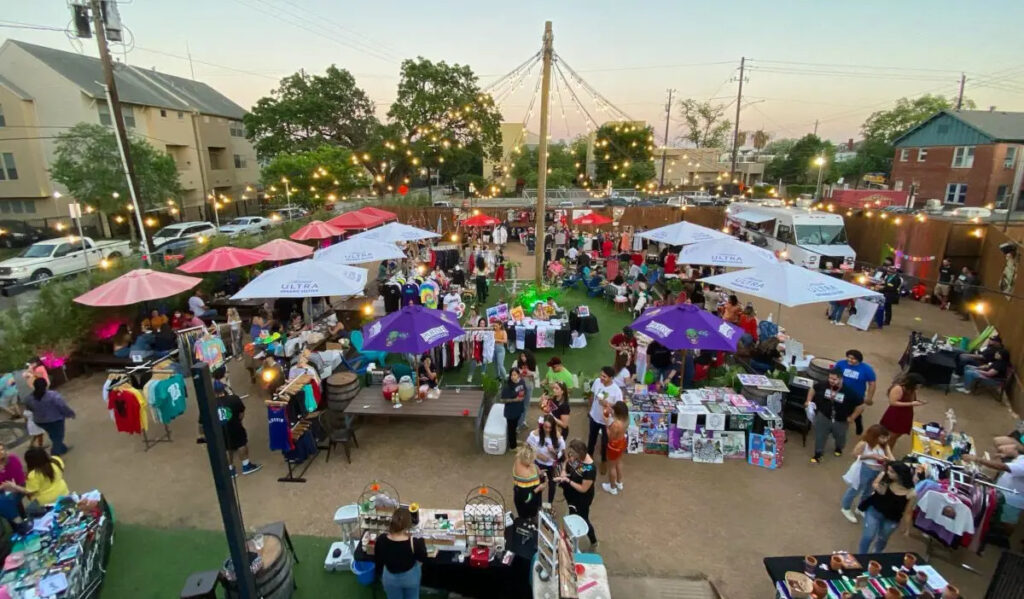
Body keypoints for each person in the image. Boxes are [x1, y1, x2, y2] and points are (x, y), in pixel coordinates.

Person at [806, 368, 864, 463]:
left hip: (841, 420)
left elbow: (861, 406)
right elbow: (813, 389)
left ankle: (839, 447)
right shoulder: (823, 385)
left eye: (834, 379)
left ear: (841, 379)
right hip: (824, 416)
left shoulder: (849, 392)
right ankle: (818, 454)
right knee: (820, 436)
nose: (831, 381)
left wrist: (852, 417)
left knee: (840, 436)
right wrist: (808, 401)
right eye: (830, 378)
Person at [857, 462, 917, 554]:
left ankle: (876, 555)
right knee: (868, 536)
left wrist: (907, 528)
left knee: (882, 539)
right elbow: (875, 485)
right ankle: (861, 556)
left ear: (900, 474)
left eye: (892, 472)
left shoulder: (911, 492)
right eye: (888, 470)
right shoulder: (885, 479)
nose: (888, 473)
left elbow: (908, 511)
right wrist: (879, 482)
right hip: (875, 511)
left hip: (892, 518)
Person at [840, 424, 895, 523]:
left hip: (878, 471)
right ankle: (845, 507)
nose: (885, 439)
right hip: (865, 469)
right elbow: (854, 455)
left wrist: (892, 462)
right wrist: (871, 456)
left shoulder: (884, 445)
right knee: (855, 489)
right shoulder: (864, 444)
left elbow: (890, 455)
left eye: (886, 437)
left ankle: (861, 507)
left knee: (869, 490)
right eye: (882, 437)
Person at [374, 507, 427, 599]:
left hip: (390, 578)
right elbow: (422, 558)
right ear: (408, 525)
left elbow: (378, 559)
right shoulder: (415, 542)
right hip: (410, 577)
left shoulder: (381, 539)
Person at [555, 439, 598, 550]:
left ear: (580, 453)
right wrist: (564, 470)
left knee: (583, 518)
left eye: (573, 454)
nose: (571, 456)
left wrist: (568, 481)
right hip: (571, 493)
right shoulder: (575, 457)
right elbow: (566, 462)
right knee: (572, 512)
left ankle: (593, 540)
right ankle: (571, 534)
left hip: (582, 498)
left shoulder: (590, 469)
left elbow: (583, 489)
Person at [961, 453, 1024, 528]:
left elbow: (1004, 467)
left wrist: (977, 459)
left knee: (1005, 524)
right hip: (1001, 493)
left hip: (1011, 501)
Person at [215, 382, 262, 477]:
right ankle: (246, 465)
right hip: (235, 426)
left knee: (226, 448)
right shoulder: (234, 399)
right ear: (224, 389)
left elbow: (203, 422)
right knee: (241, 444)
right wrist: (237, 420)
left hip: (220, 430)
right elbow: (241, 413)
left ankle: (230, 469)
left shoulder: (210, 404)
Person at [23, 378, 74, 456]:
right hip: (55, 419)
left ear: (34, 386)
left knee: (53, 434)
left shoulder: (28, 398)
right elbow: (62, 406)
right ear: (46, 385)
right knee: (59, 436)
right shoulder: (53, 395)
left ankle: (63, 449)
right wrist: (70, 413)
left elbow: (29, 408)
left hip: (40, 421)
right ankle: (54, 454)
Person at [0, 447, 68, 505]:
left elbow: (29, 491)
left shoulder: (33, 475)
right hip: (63, 491)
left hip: (46, 501)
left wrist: (14, 486)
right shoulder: (56, 460)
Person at [833, 349, 877, 436]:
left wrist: (869, 397)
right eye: (848, 357)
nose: (850, 360)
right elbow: (834, 375)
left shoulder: (867, 369)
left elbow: (872, 383)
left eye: (853, 359)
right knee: (842, 409)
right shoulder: (840, 364)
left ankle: (858, 424)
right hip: (842, 392)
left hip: (857, 395)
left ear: (859, 360)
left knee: (857, 410)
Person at [878, 373, 927, 450]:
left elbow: (911, 400)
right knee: (890, 436)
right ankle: (882, 451)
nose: (919, 387)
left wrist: (918, 402)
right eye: (918, 385)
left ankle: (888, 452)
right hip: (896, 414)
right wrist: (911, 403)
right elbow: (893, 402)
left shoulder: (912, 390)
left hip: (906, 414)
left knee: (896, 435)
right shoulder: (898, 388)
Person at [587, 366, 624, 464]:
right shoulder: (597, 382)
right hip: (594, 416)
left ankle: (603, 460)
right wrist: (589, 409)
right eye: (601, 375)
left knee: (605, 442)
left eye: (604, 376)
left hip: (607, 421)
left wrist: (607, 404)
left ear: (611, 378)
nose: (601, 378)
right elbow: (592, 395)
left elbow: (619, 408)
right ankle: (589, 456)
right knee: (591, 438)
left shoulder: (616, 391)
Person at [526, 415, 564, 503]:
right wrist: (538, 455)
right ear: (542, 425)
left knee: (552, 484)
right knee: (539, 484)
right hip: (539, 464)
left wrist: (554, 452)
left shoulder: (557, 436)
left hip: (552, 465)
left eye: (550, 428)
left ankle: (550, 504)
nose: (548, 430)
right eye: (545, 427)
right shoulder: (535, 435)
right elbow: (528, 448)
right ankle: (539, 504)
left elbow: (562, 453)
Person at [602, 402, 628, 496]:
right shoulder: (626, 419)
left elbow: (610, 437)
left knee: (612, 466)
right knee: (619, 462)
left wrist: (606, 424)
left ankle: (612, 487)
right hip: (622, 442)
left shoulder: (615, 424)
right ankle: (619, 482)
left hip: (614, 445)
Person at [512, 445, 545, 519]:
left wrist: (538, 471)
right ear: (527, 459)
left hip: (518, 495)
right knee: (528, 519)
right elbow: (527, 498)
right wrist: (539, 488)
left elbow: (533, 466)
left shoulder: (519, 460)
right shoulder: (526, 475)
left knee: (522, 515)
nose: (534, 461)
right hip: (528, 503)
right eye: (532, 459)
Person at [502, 368, 527, 450]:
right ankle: (513, 447)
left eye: (515, 375)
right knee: (511, 429)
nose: (513, 377)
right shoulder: (507, 386)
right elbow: (502, 400)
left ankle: (514, 441)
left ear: (518, 375)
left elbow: (524, 391)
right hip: (510, 411)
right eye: (511, 375)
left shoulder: (522, 382)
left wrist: (523, 396)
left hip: (518, 409)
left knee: (514, 426)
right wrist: (514, 400)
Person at [514, 351, 536, 430]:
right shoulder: (516, 363)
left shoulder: (532, 364)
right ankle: (516, 425)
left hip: (529, 387)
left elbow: (536, 375)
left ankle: (522, 421)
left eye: (525, 356)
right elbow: (512, 373)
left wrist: (530, 373)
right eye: (522, 356)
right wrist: (519, 373)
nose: (523, 358)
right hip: (519, 387)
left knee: (525, 405)